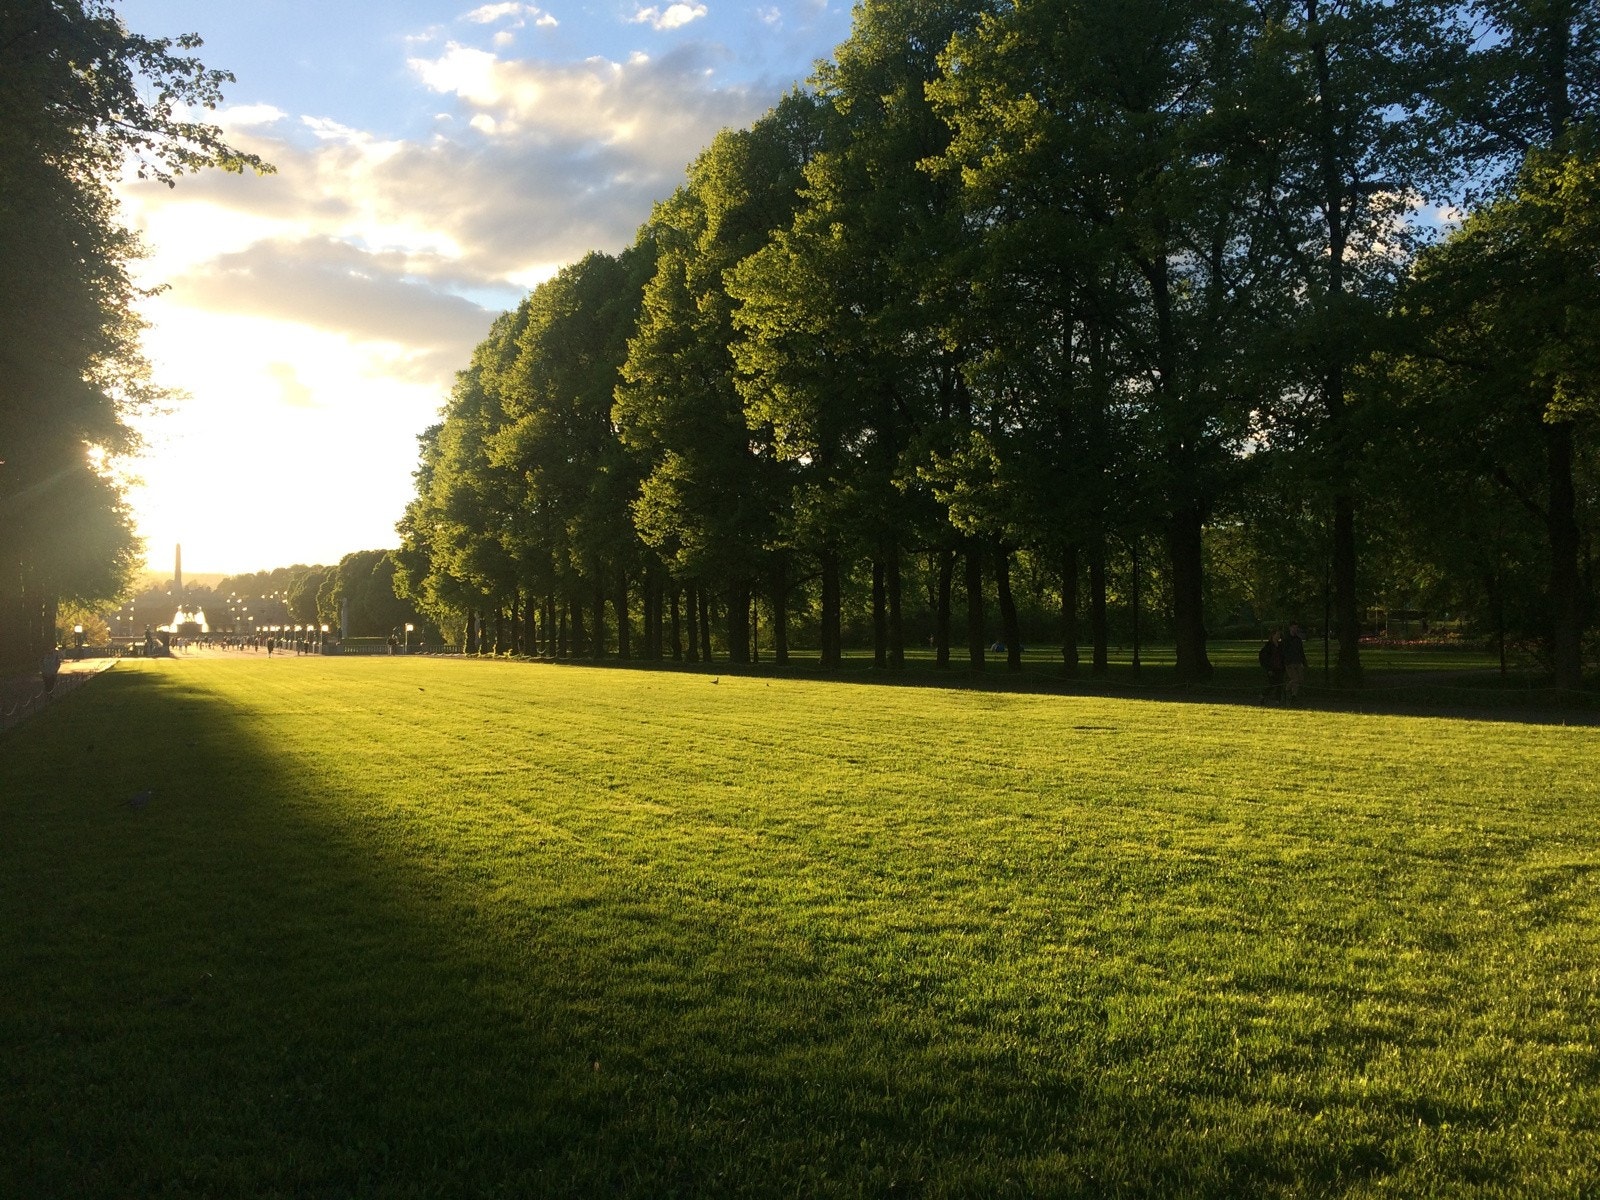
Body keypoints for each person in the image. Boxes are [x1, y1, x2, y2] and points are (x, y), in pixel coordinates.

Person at [1258, 628, 1285, 703]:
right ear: (1273, 635)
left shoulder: (1280, 645)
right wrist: (1268, 668)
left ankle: (1278, 700)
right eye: (1277, 634)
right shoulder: (1268, 645)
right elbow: (1264, 657)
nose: (1279, 636)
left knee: (1280, 684)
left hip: (1279, 667)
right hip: (1272, 667)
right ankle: (1263, 694)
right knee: (1273, 683)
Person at [1282, 621, 1308, 701]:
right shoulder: (1286, 639)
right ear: (1290, 628)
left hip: (1298, 662)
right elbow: (1284, 652)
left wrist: (1304, 662)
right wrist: (1287, 661)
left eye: (1296, 627)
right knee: (1295, 679)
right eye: (1294, 627)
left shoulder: (1298, 640)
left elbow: (1301, 651)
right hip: (1290, 663)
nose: (1295, 629)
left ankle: (1294, 695)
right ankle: (1286, 690)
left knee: (1300, 679)